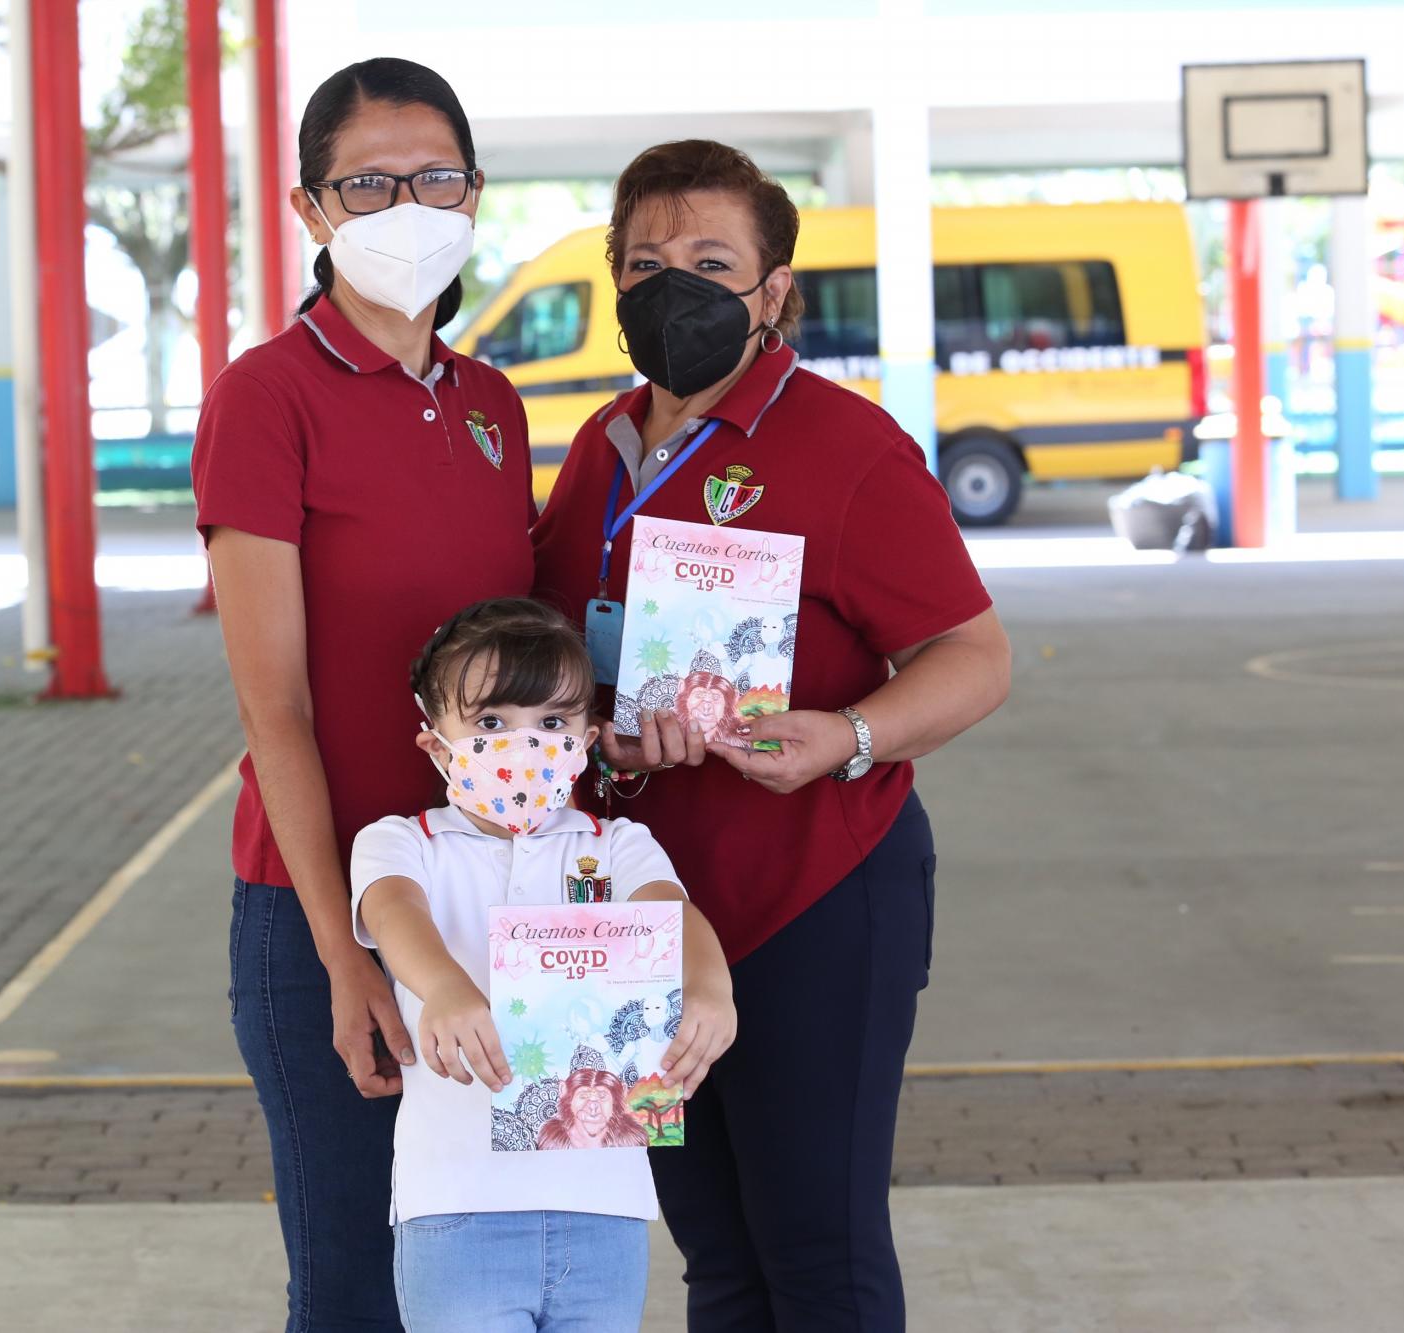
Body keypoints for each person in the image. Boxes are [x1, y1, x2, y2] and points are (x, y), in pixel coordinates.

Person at [532, 140, 1013, 1332]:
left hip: (813, 895)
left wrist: (844, 735)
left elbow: (973, 656)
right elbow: (558, 645)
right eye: (644, 263)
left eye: (710, 261)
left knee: (818, 1250)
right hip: (638, 910)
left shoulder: (847, 449)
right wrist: (587, 729)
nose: (674, 287)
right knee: (712, 1251)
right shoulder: (595, 452)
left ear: (774, 289)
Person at [192, 58, 537, 1331]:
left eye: (436, 175)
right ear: (309, 210)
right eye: (370, 181)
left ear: (473, 194)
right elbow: (271, 705)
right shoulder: (265, 399)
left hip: (484, 900)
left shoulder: (492, 403)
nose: (410, 204)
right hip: (326, 913)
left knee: (489, 1281)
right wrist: (348, 960)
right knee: (353, 1289)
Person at [350, 598, 737, 1333]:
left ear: (588, 738)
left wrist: (711, 987)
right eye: (491, 723)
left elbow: (674, 916)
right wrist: (443, 988)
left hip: (605, 1206)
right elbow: (393, 912)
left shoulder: (619, 844)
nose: (524, 743)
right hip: (456, 1204)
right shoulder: (401, 842)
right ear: (436, 744)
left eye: (552, 723)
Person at [535, 1068, 651, 1150]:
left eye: (602, 1096)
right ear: (563, 1092)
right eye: (583, 1096)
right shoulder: (552, 1138)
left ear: (622, 1095)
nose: (593, 1108)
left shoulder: (632, 1138)